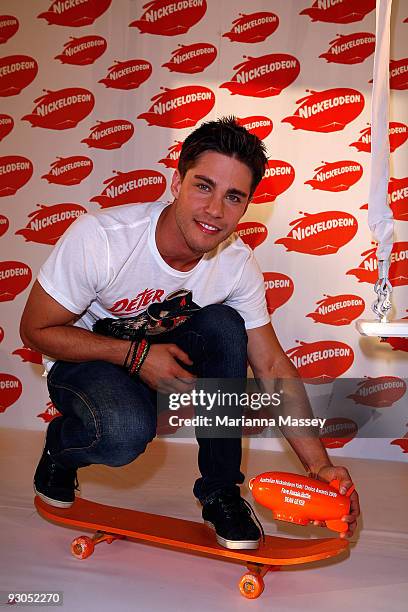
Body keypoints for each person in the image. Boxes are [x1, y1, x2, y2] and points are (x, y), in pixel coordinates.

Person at [20, 117, 360, 550]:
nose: (216, 210)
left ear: (247, 204)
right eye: (203, 186)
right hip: (86, 362)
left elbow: (272, 364)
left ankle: (220, 492)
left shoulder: (236, 264)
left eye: (233, 197)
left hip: (164, 367)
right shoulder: (103, 239)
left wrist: (319, 468)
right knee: (124, 434)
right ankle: (59, 451)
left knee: (224, 325)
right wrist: (136, 356)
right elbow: (35, 330)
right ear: (176, 181)